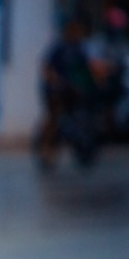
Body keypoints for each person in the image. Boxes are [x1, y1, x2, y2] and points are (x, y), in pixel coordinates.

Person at [36, 17, 96, 169]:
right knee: (54, 117)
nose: (77, 34)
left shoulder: (80, 49)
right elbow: (47, 68)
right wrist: (55, 79)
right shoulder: (59, 48)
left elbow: (88, 67)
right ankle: (46, 147)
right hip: (56, 90)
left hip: (73, 89)